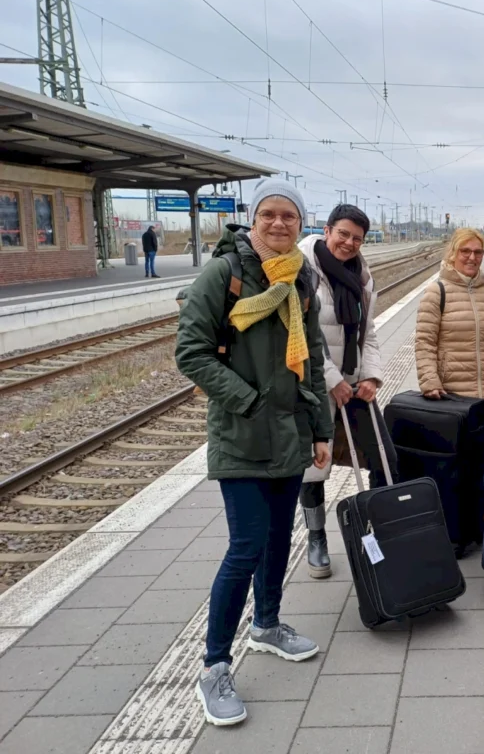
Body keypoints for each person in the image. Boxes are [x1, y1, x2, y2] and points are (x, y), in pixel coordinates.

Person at [176, 178, 332, 726]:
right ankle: (214, 666)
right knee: (244, 547)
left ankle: (266, 625)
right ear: (254, 218)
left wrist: (321, 430)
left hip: (289, 436)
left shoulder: (302, 279)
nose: (278, 224)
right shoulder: (224, 273)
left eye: (289, 216)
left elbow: (310, 359)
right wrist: (247, 400)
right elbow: (190, 352)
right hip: (242, 435)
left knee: (276, 537)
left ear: (300, 223)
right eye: (269, 214)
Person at [297, 203, 397, 578]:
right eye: (343, 234)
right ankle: (316, 537)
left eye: (357, 238)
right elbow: (304, 337)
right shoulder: (302, 269)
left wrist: (370, 377)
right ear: (326, 231)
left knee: (384, 457)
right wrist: (331, 379)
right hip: (315, 386)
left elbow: (368, 333)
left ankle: (381, 532)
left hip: (355, 385)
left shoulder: (364, 277)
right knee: (314, 469)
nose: (349, 243)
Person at [415, 227, 484, 456]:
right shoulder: (437, 292)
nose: (472, 257)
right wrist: (430, 381)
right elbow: (424, 342)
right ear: (453, 253)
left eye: (478, 252)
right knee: (454, 472)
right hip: (452, 397)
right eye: (465, 251)